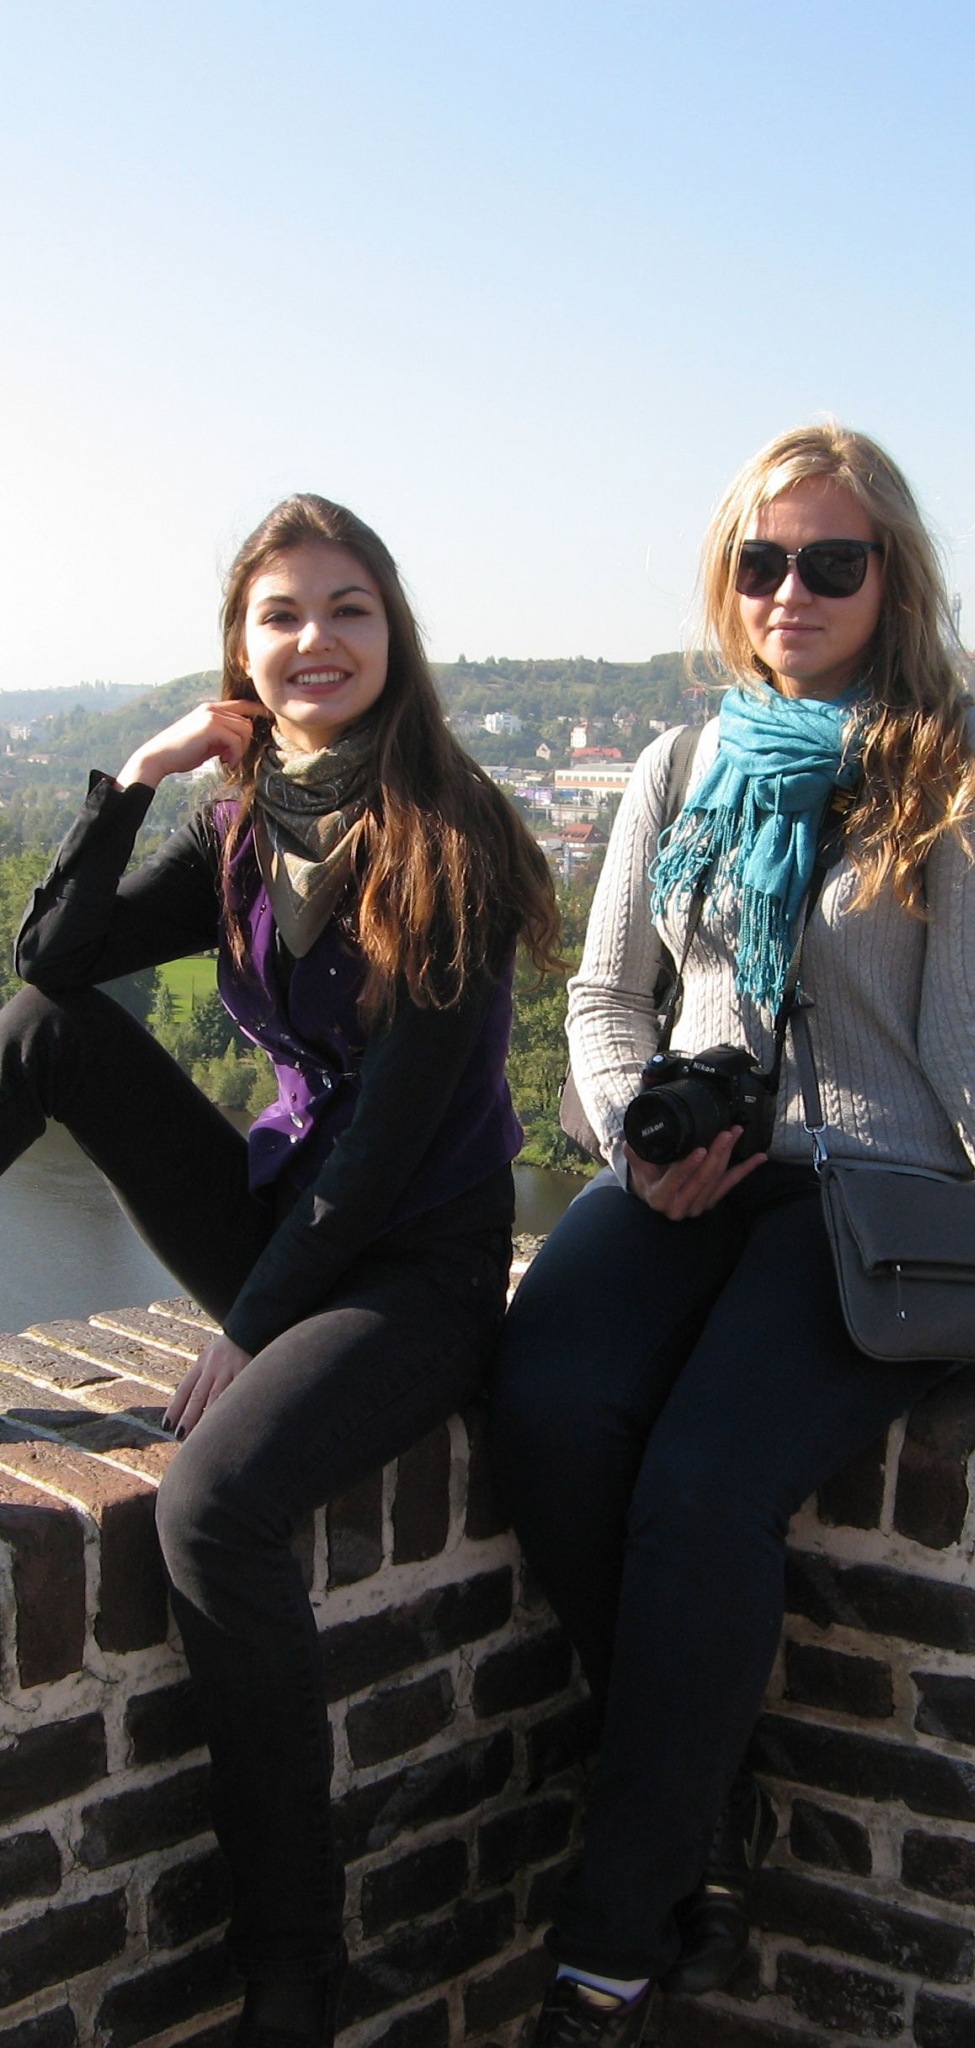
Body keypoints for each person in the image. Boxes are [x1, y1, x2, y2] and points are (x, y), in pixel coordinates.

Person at [490, 424, 975, 2048]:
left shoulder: (957, 761)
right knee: (544, 1404)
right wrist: (629, 1134)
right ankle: (704, 1783)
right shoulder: (683, 764)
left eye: (830, 561)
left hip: (865, 1190)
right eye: (761, 561)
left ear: (892, 579)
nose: (789, 591)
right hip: (694, 1170)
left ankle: (616, 1938)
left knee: (702, 1487)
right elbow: (606, 1000)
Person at [0, 494, 558, 2047]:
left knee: (212, 1504)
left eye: (348, 608)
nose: (317, 639)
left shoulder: (448, 839)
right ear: (241, 649)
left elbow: (386, 1150)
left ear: (395, 634)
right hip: (286, 1215)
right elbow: (53, 963)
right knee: (40, 1035)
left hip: (411, 1268)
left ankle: (294, 1967)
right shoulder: (245, 822)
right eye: (282, 614)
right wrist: (141, 778)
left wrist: (251, 1329)